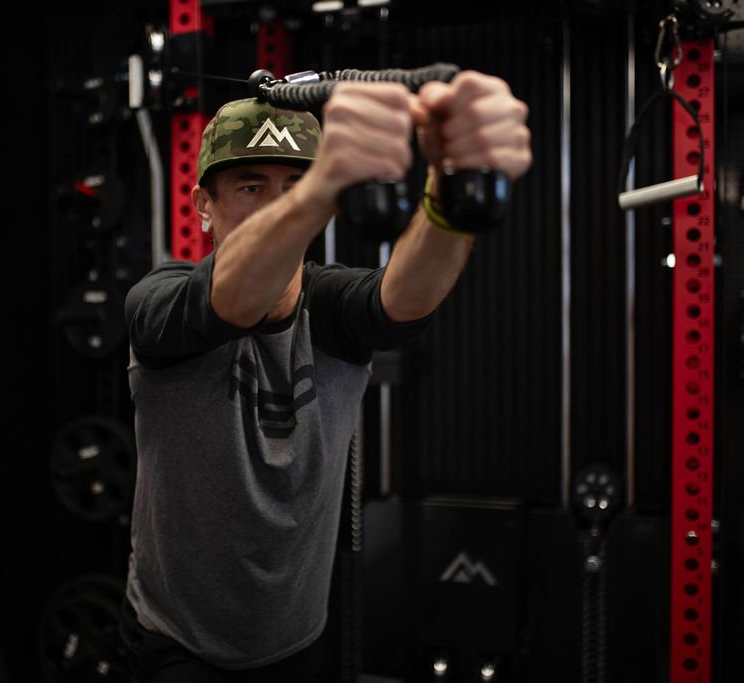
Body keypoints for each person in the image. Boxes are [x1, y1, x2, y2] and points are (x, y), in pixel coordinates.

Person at [119, 71, 532, 682]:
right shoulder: (162, 301)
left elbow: (407, 296)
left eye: (294, 185)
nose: (275, 202)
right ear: (203, 205)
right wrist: (318, 190)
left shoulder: (331, 305)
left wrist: (453, 181)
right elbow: (233, 301)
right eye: (250, 186)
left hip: (299, 639)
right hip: (179, 645)